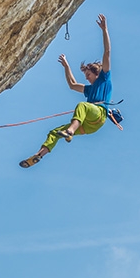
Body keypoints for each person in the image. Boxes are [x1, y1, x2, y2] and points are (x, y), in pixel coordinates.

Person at [20, 14, 113, 168]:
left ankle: (70, 131)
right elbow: (72, 84)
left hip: (99, 115)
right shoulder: (89, 90)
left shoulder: (104, 78)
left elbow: (107, 52)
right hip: (87, 126)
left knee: (82, 106)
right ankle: (38, 155)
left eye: (88, 75)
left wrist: (104, 30)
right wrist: (66, 67)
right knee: (54, 132)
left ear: (96, 73)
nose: (87, 78)